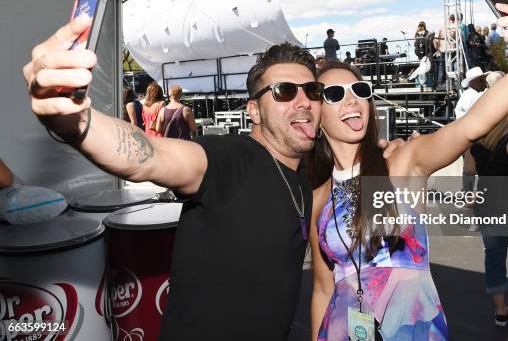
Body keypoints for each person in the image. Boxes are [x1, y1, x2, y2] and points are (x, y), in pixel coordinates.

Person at [23, 23, 326, 339]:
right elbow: (153, 155)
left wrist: (373, 166)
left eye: (312, 91)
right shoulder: (232, 159)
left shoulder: (299, 178)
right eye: (285, 91)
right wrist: (77, 121)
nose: (303, 101)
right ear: (254, 111)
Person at [307, 3, 508, 341]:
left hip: (413, 329)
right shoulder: (319, 196)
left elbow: (469, 127)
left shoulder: (403, 163)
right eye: (335, 95)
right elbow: (323, 289)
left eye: (360, 91)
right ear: (316, 115)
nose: (352, 101)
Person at [464, 114, 508, 328]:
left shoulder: (476, 142)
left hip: (487, 205)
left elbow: (469, 170)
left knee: (494, 258)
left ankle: (500, 311)